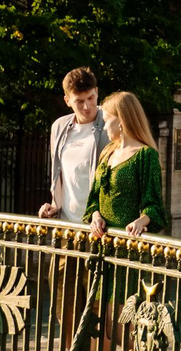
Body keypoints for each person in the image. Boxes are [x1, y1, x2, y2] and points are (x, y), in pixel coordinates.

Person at [83, 92, 168, 237]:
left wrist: (140, 222)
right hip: (101, 243)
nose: (104, 127)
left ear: (121, 120)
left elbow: (155, 206)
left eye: (106, 120)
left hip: (128, 245)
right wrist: (96, 217)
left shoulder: (145, 155)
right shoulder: (107, 151)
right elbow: (94, 198)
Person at [39, 67, 110, 225]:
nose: (87, 106)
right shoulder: (59, 127)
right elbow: (61, 173)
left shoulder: (110, 122)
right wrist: (55, 205)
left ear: (97, 92)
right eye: (79, 101)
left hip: (100, 225)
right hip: (68, 225)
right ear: (67, 101)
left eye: (91, 98)